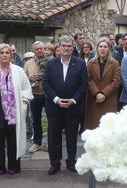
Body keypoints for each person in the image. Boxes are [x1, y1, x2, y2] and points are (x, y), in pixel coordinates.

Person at [43, 35, 88, 175]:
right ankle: (55, 163)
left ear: (72, 47)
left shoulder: (80, 63)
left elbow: (83, 84)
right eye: (64, 46)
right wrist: (56, 99)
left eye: (69, 46)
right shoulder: (51, 64)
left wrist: (73, 100)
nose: (66, 48)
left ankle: (71, 162)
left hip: (73, 107)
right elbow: (45, 83)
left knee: (72, 137)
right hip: (54, 107)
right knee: (53, 137)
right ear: (59, 47)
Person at [0, 43, 33, 175]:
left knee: (13, 137)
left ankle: (14, 166)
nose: (4, 55)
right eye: (2, 53)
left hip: (15, 111)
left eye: (7, 52)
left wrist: (25, 101)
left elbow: (26, 88)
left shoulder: (18, 70)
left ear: (11, 55)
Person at [84, 38, 120, 130]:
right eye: (100, 47)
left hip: (108, 99)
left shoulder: (115, 63)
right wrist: (97, 93)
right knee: (93, 129)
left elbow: (116, 81)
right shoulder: (91, 63)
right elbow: (87, 79)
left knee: (107, 130)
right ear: (97, 49)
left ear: (109, 49)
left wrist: (103, 93)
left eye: (105, 47)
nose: (102, 49)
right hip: (94, 99)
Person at [23, 41, 46, 153]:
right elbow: (23, 79)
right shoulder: (28, 64)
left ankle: (52, 142)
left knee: (52, 120)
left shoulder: (50, 61)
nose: (40, 50)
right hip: (35, 95)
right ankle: (37, 142)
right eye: (37, 49)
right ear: (34, 51)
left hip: (48, 95)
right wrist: (29, 78)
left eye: (41, 48)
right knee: (36, 120)